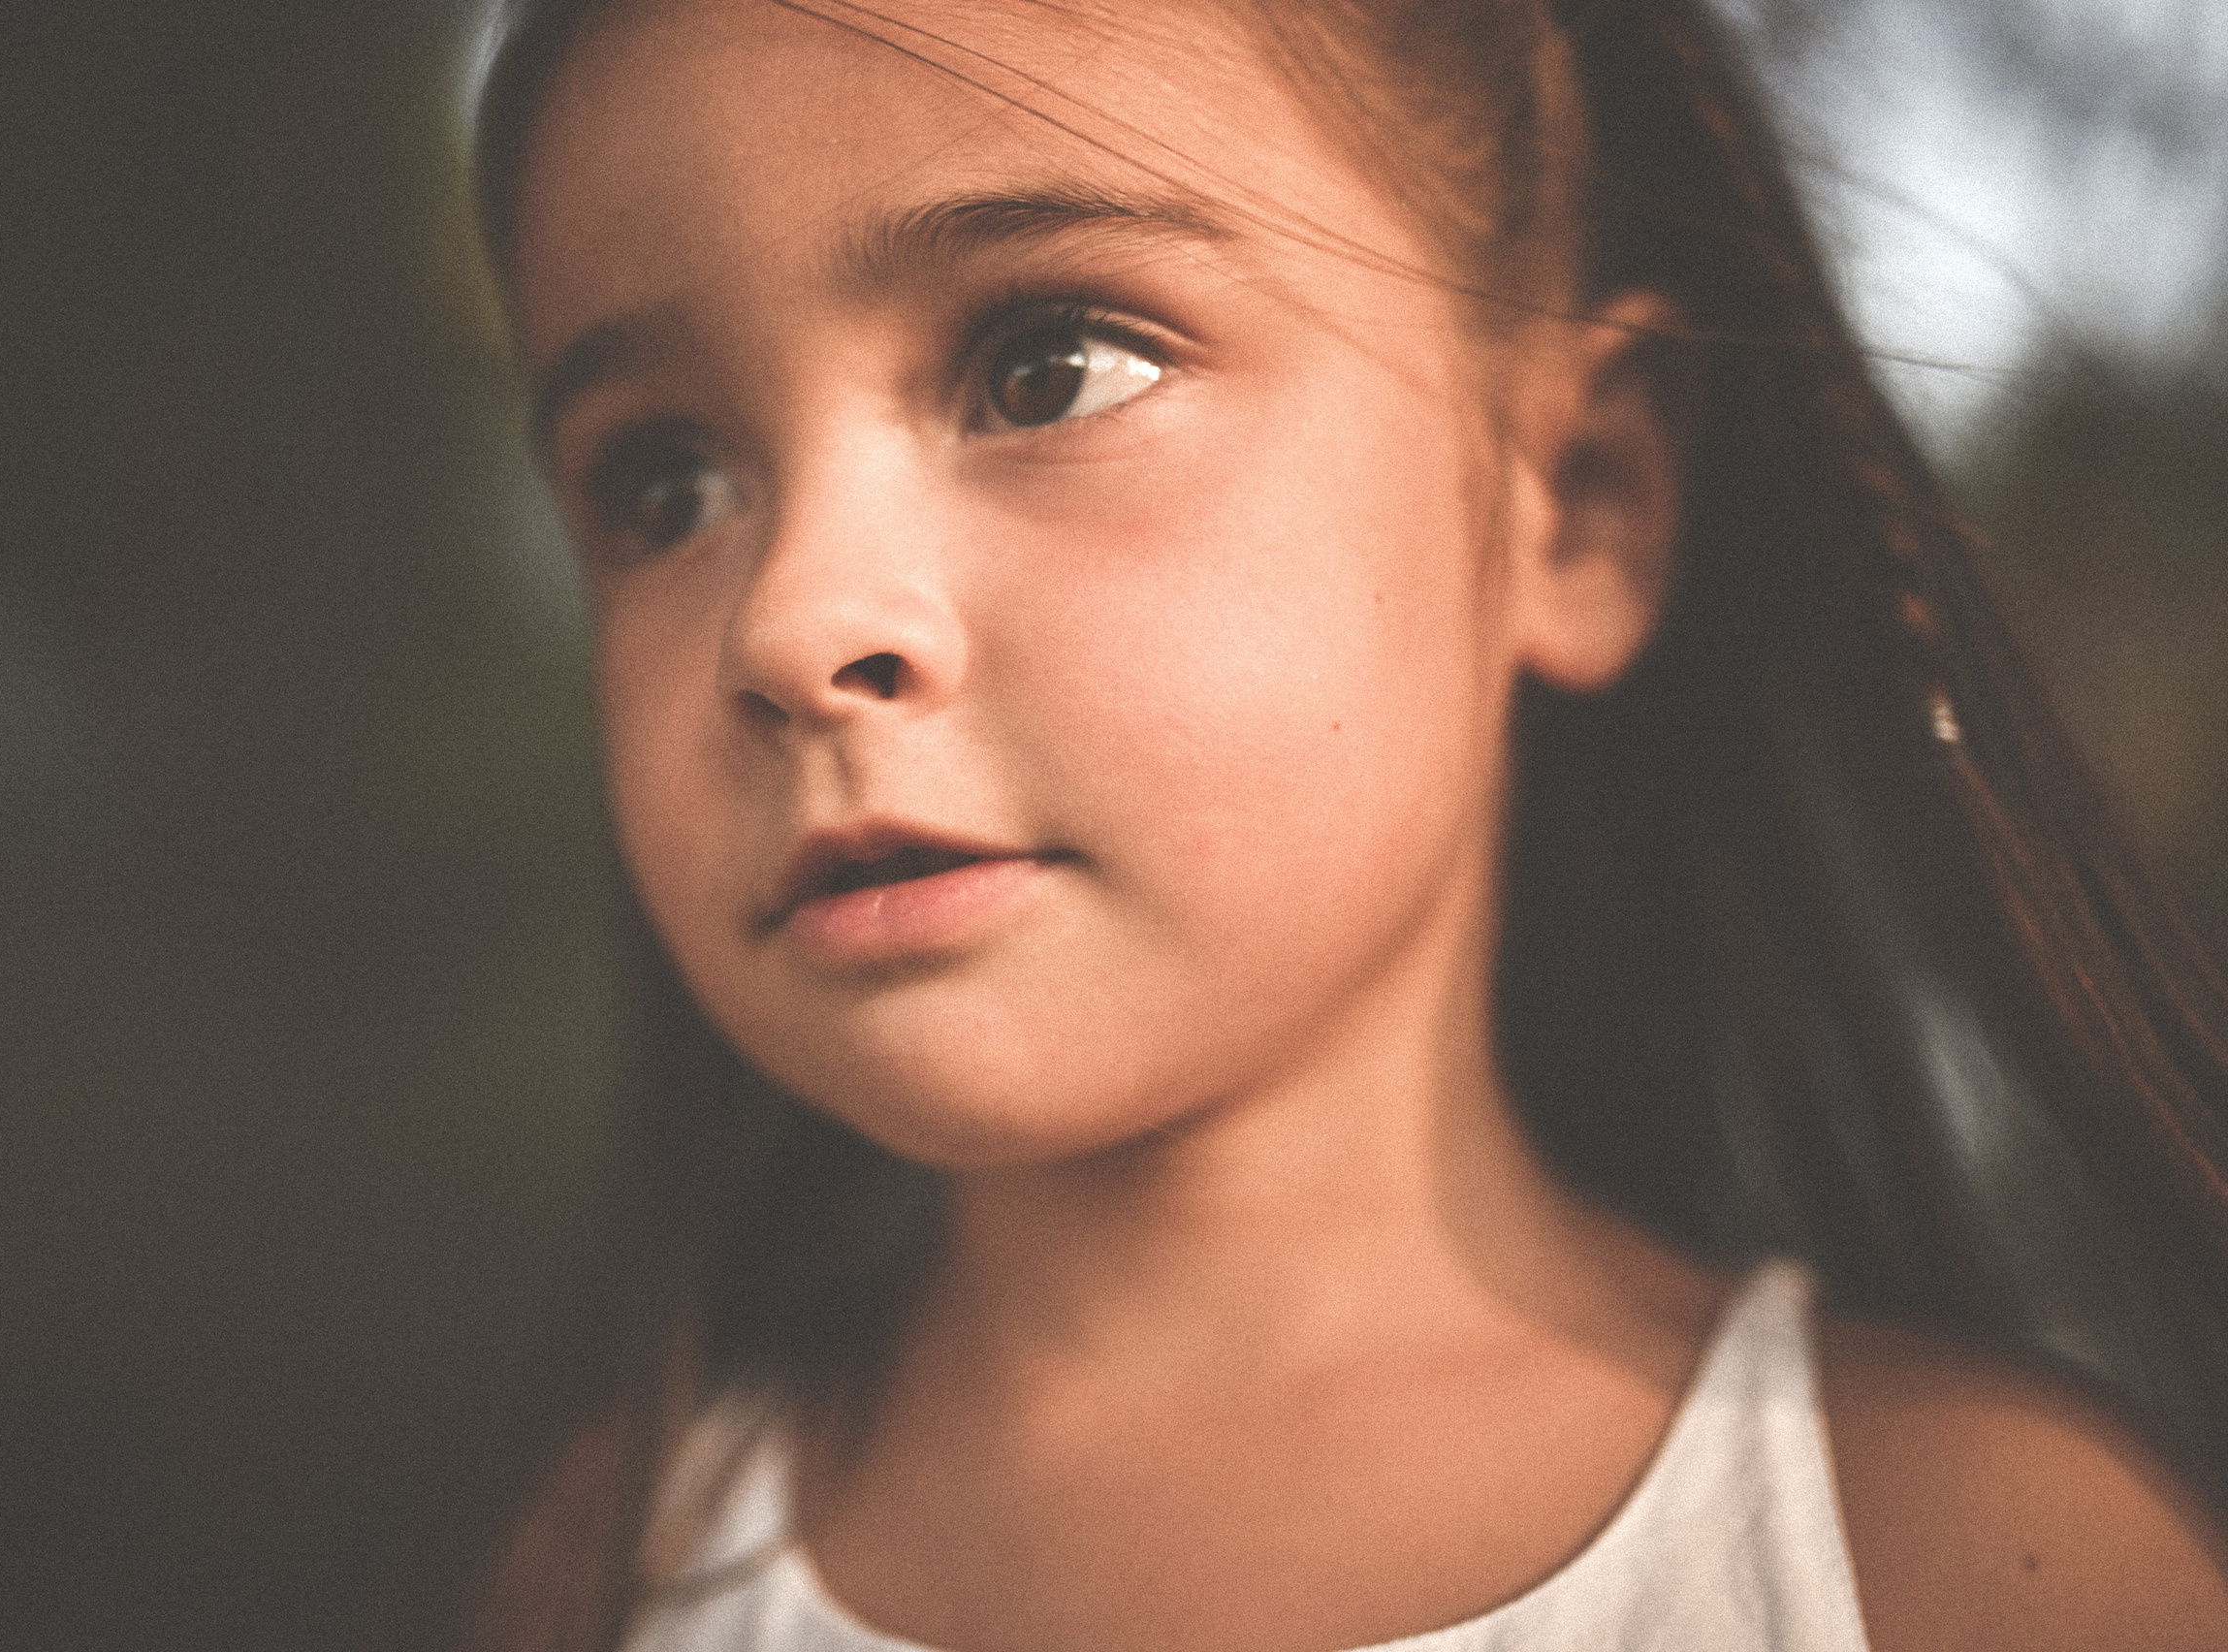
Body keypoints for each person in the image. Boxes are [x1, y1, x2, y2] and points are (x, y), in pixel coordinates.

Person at [453, 1, 2228, 1648]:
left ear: (1579, 500)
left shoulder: (1967, 1567)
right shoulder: (627, 1561)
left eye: (1050, 365)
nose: (788, 619)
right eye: (661, 480)